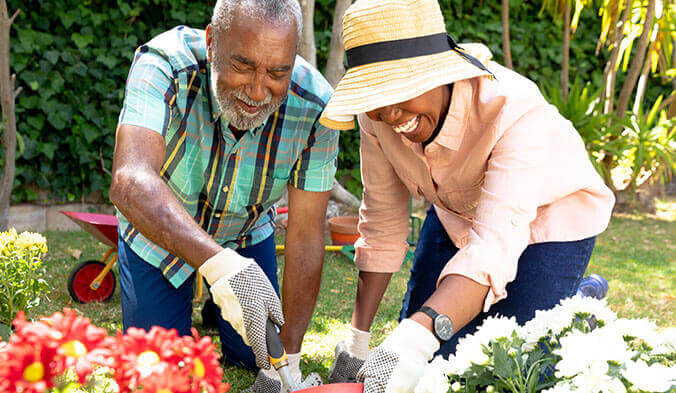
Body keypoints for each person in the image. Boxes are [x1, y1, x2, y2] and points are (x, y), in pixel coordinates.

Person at [318, 0, 615, 392]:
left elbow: (491, 248)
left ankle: (577, 302)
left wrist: (417, 337)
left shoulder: (513, 111)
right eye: (374, 97)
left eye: (399, 91)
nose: (389, 116)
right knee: (431, 369)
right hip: (458, 214)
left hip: (552, 216)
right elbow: (382, 225)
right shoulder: (375, 119)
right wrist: (357, 342)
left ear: (437, 72)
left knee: (512, 369)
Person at [109, 0, 338, 391]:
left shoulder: (317, 106)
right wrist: (220, 266)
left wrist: (291, 356)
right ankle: (221, 287)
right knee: (162, 372)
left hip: (246, 233)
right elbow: (130, 180)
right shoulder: (164, 63)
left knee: (264, 354)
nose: (258, 89)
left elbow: (305, 235)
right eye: (243, 65)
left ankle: (222, 305)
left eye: (277, 72)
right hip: (158, 235)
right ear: (213, 42)